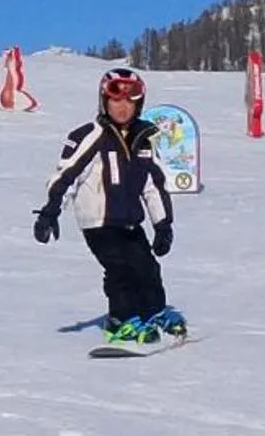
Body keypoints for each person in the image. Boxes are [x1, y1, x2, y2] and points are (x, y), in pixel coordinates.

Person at [32, 67, 184, 346]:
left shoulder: (144, 140)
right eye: (116, 101)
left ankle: (153, 311)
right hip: (99, 221)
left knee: (147, 267)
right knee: (120, 268)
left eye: (130, 102)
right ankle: (120, 320)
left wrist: (163, 226)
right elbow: (66, 175)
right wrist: (50, 212)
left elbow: (154, 186)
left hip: (129, 220)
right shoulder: (92, 134)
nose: (123, 108)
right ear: (104, 101)